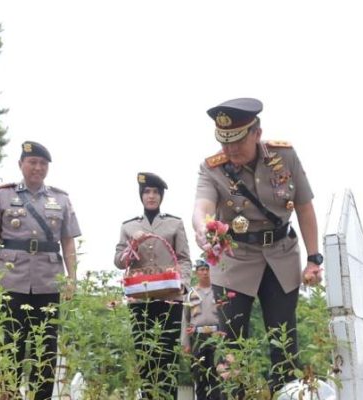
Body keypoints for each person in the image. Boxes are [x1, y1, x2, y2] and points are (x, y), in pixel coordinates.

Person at [192, 97, 323, 394]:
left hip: (281, 256)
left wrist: (314, 259)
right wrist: (203, 229)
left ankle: (287, 393)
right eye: (224, 143)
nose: (230, 150)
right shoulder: (211, 168)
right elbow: (201, 207)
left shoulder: (284, 156)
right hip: (234, 261)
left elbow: (304, 207)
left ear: (256, 133)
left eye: (237, 141)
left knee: (284, 341)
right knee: (231, 345)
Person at [0, 141, 81, 400]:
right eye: (32, 162)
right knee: (10, 344)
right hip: (11, 281)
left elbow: (68, 241)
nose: (37, 168)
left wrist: (72, 279)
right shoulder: (2, 195)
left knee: (45, 348)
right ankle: (8, 396)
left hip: (49, 282)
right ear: (21, 164)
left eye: (43, 164)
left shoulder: (61, 198)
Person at [114, 172, 191, 400]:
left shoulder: (174, 223)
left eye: (155, 192)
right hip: (140, 298)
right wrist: (133, 244)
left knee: (167, 355)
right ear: (141, 196)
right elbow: (119, 261)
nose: (151, 196)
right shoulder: (129, 226)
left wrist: (183, 284)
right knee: (145, 355)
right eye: (147, 192)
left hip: (169, 296)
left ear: (161, 196)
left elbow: (184, 258)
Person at [183, 259, 222, 400]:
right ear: (196, 272)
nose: (205, 273)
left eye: (208, 269)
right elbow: (185, 320)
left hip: (217, 336)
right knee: (199, 376)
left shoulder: (218, 292)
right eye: (202, 270)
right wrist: (186, 343)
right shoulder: (190, 293)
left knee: (217, 375)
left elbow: (226, 316)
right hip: (197, 337)